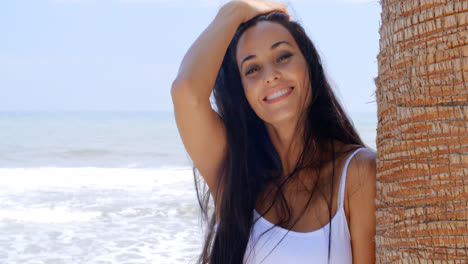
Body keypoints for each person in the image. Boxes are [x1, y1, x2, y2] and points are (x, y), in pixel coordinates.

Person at [171, 0, 377, 263]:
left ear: (310, 67)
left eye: (283, 56)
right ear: (243, 92)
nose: (270, 75)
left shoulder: (358, 173)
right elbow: (186, 92)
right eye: (252, 69)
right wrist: (235, 11)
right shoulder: (234, 172)